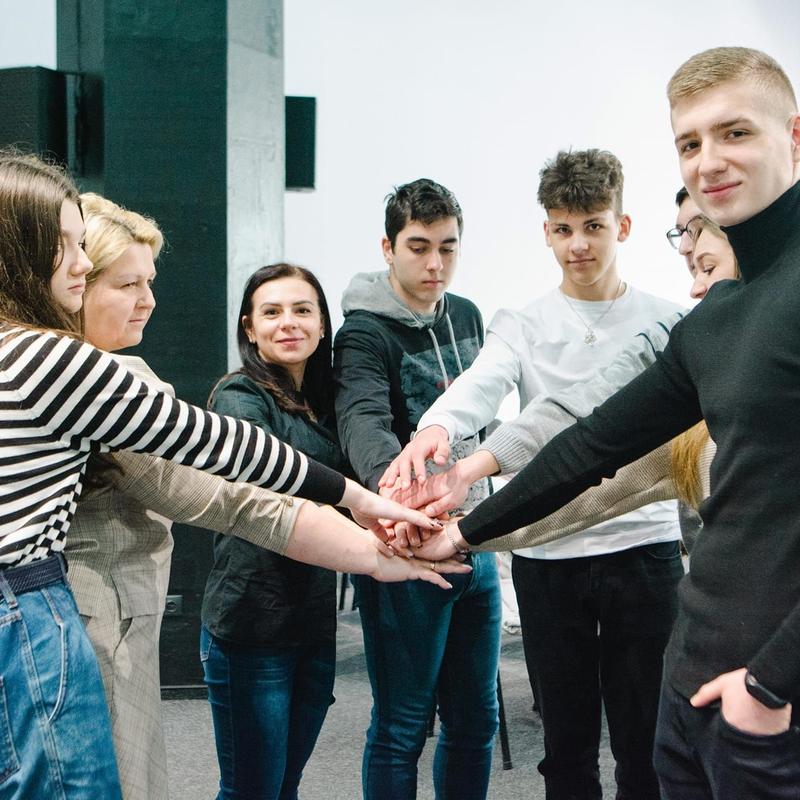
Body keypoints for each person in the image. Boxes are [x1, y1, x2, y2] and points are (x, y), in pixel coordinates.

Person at [0, 152, 465, 800]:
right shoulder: (72, 366)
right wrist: (365, 514)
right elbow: (234, 477)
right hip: (73, 624)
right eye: (120, 280)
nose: (148, 301)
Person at [428, 46, 800, 800]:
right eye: (689, 143)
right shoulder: (714, 320)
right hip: (692, 687)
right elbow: (593, 443)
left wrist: (768, 686)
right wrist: (464, 529)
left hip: (769, 705)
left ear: (794, 135)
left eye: (735, 133)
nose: (709, 161)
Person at [384, 150, 683, 799]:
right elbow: (482, 385)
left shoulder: (667, 321)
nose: (579, 244)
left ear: (623, 227)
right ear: (546, 231)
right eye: (564, 228)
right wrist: (439, 430)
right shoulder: (522, 323)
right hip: (550, 553)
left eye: (594, 226)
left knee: (646, 745)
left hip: (646, 550)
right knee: (567, 749)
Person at [333, 178, 501, 799]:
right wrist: (398, 501)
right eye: (419, 246)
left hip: (474, 538)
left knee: (475, 720)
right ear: (388, 247)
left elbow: (481, 418)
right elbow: (364, 422)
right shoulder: (363, 333)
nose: (435, 264)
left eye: (448, 248)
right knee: (404, 724)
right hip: (405, 547)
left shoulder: (467, 315)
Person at [200, 264, 348, 799]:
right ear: (249, 328)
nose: (289, 323)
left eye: (302, 310)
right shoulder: (238, 396)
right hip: (251, 627)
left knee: (285, 785)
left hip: (312, 619)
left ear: (323, 323)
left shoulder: (330, 403)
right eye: (272, 312)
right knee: (251, 790)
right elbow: (272, 477)